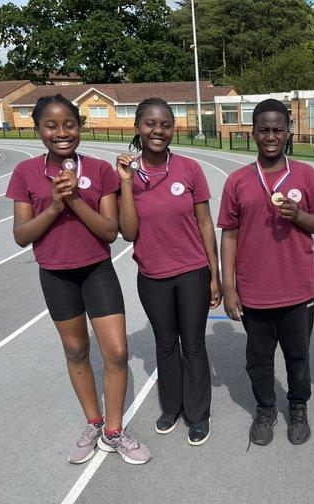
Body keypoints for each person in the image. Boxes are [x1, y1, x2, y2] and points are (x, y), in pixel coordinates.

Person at [5, 94, 150, 465]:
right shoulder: (25, 173)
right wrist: (54, 205)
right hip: (56, 276)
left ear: (79, 127)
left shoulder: (99, 171)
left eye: (69, 124)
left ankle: (113, 432)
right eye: (51, 126)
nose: (61, 132)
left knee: (117, 351)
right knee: (76, 351)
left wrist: (73, 201)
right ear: (37, 130)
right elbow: (22, 235)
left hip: (96, 271)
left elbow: (110, 231)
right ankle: (93, 423)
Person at [218, 99, 314, 447]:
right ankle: (266, 409)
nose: (271, 136)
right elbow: (229, 235)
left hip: (297, 288)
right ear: (253, 132)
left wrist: (299, 216)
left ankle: (298, 406)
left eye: (278, 130)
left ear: (288, 132)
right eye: (264, 130)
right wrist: (228, 287)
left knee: (298, 356)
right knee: (258, 360)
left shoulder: (306, 174)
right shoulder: (237, 181)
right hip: (254, 291)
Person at [117, 98, 221, 446]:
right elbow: (128, 232)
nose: (157, 130)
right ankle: (172, 406)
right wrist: (126, 183)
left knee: (192, 344)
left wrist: (215, 274)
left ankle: (198, 412)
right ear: (137, 127)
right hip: (152, 275)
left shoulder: (190, 169)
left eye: (165, 124)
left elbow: (205, 224)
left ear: (173, 129)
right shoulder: (127, 175)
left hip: (192, 271)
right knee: (164, 344)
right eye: (150, 123)